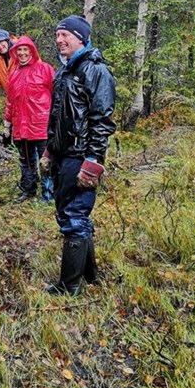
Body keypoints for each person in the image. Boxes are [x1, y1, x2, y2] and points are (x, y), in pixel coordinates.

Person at [39, 15, 116, 296]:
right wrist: (49, 150)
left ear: (80, 37)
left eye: (65, 35)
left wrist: (93, 161)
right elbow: (57, 117)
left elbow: (102, 120)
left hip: (80, 156)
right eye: (57, 35)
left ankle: (68, 286)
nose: (59, 40)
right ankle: (89, 275)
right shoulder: (64, 72)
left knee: (74, 215)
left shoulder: (95, 71)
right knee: (71, 215)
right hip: (62, 155)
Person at [3, 36, 54, 203]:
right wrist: (7, 125)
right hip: (21, 128)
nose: (23, 53)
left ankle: (49, 194)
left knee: (46, 161)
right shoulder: (13, 74)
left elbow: (56, 95)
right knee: (26, 161)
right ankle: (29, 190)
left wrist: (57, 121)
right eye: (19, 50)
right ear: (15, 53)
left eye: (26, 49)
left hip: (41, 125)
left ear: (32, 51)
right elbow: (10, 101)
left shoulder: (45, 69)